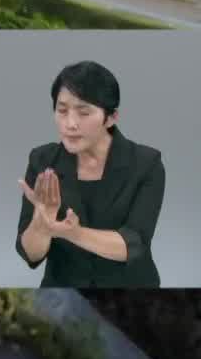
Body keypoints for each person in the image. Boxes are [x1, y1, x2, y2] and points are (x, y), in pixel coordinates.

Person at [15, 60, 165, 287]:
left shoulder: (146, 164)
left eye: (83, 112)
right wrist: (41, 223)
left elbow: (134, 243)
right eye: (62, 110)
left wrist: (72, 233)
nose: (70, 124)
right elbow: (31, 255)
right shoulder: (43, 161)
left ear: (112, 117)